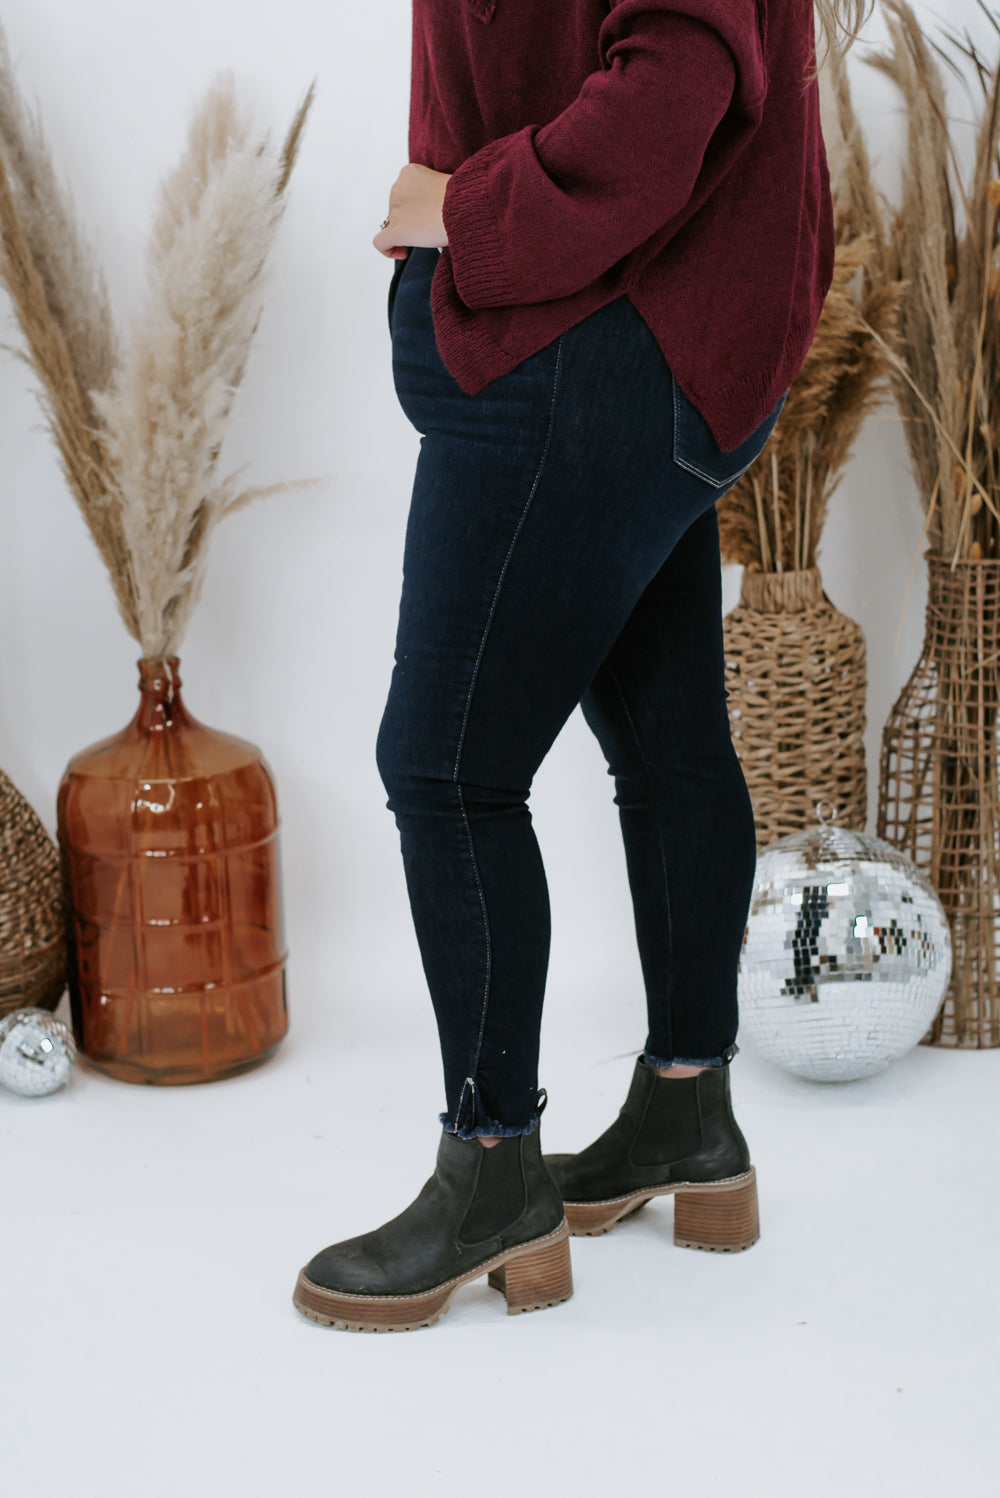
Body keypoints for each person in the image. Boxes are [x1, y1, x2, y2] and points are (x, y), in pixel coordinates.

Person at [293, 0, 871, 1333]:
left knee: (446, 769)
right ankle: (688, 1117)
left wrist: (465, 209)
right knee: (667, 738)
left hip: (594, 339)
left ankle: (492, 1179)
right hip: (647, 327)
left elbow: (672, 77)